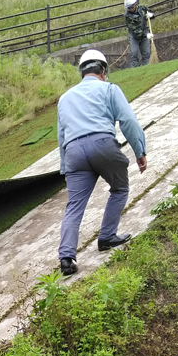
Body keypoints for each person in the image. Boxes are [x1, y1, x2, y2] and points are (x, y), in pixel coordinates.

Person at [56, 49, 148, 276]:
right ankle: (106, 236)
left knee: (74, 206)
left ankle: (66, 258)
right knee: (120, 188)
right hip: (103, 145)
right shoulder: (109, 89)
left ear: (82, 72)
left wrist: (64, 167)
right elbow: (128, 120)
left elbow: (61, 136)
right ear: (103, 71)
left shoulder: (65, 98)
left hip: (74, 152)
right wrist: (140, 151)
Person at [124, 0, 154, 68]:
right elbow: (136, 32)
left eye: (132, 7)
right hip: (134, 36)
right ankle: (134, 71)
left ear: (135, 4)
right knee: (134, 54)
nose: (131, 9)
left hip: (145, 31)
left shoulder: (142, 8)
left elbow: (150, 12)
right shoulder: (127, 17)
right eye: (129, 8)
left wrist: (151, 15)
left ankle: (146, 68)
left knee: (146, 53)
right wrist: (146, 35)